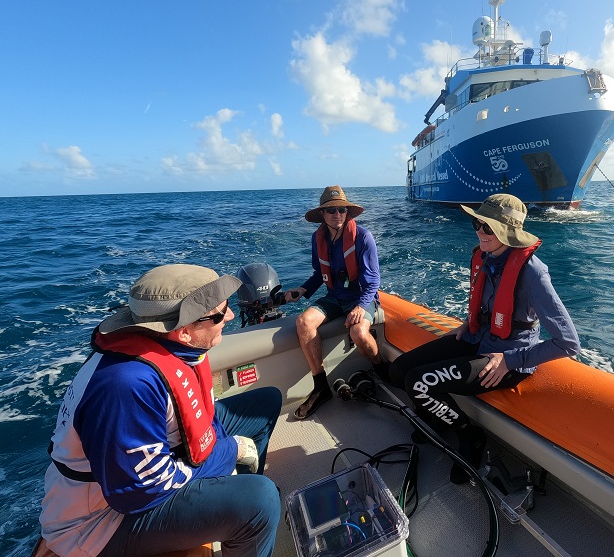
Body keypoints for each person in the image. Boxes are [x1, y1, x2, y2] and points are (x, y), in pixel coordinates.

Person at [39, 264, 283, 557]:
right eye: (219, 313)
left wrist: (224, 449)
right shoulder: (125, 387)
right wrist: (228, 451)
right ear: (184, 332)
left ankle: (241, 493)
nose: (229, 316)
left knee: (265, 403)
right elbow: (142, 491)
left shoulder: (173, 349)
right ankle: (249, 513)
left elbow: (199, 419)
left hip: (152, 468)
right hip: (99, 525)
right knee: (260, 500)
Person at [388, 194, 580, 484]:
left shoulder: (533, 273)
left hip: (506, 359)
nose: (480, 231)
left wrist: (512, 360)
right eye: (477, 223)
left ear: (508, 232)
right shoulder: (485, 256)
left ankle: (471, 436)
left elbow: (569, 343)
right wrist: (469, 323)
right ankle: (437, 418)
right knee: (399, 370)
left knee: (419, 382)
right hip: (479, 339)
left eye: (488, 227)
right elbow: (491, 305)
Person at [285, 186, 381, 420]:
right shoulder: (318, 239)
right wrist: (303, 289)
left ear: (348, 213)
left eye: (342, 209)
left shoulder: (363, 237)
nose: (337, 214)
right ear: (323, 216)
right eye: (331, 211)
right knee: (304, 322)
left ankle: (381, 368)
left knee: (358, 332)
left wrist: (360, 307)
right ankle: (321, 385)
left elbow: (373, 280)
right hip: (334, 297)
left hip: (360, 297)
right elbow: (319, 274)